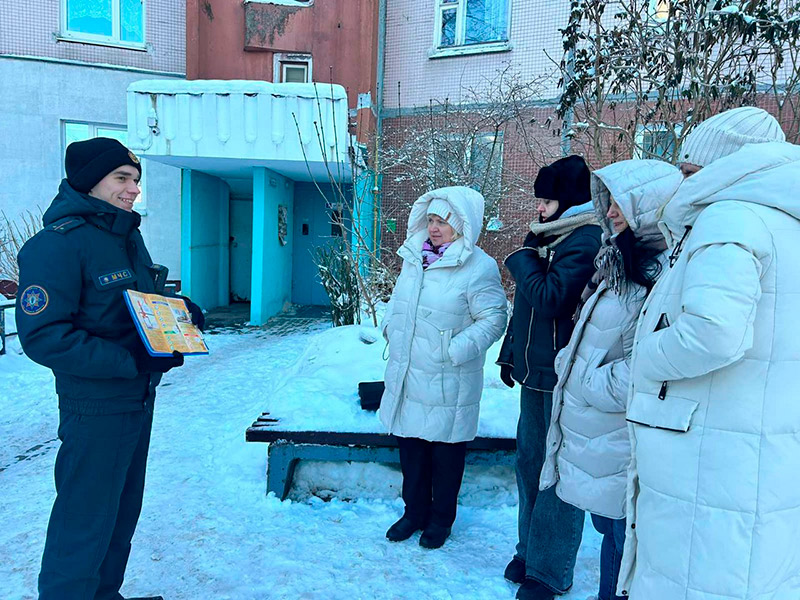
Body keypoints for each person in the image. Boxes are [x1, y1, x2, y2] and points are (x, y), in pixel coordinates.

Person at [618, 106, 800, 599]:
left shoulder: (729, 217)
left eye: (687, 169)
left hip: (707, 456)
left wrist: (645, 357)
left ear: (720, 167)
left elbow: (713, 333)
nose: (681, 182)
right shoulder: (786, 224)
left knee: (691, 577)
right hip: (758, 451)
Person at [16, 137, 203, 600]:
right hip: (95, 404)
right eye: (122, 178)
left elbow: (135, 304)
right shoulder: (56, 246)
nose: (133, 189)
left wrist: (179, 312)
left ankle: (103, 594)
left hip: (136, 397)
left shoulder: (123, 236)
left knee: (120, 512)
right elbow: (44, 336)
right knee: (84, 519)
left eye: (135, 179)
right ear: (89, 182)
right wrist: (130, 360)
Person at [538, 160, 682, 600]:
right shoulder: (617, 261)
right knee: (611, 534)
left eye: (623, 202)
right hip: (603, 436)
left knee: (624, 542)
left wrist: (581, 379)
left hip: (623, 438)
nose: (612, 211)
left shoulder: (658, 275)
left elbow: (645, 369)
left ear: (651, 205)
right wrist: (570, 363)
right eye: (610, 201)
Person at [379, 186, 507, 550]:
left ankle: (440, 520)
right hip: (408, 373)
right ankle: (413, 513)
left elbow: (494, 318)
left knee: (445, 457)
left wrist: (453, 350)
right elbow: (397, 302)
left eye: (443, 222)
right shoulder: (413, 257)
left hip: (449, 379)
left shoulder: (478, 266)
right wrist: (390, 327)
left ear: (462, 225)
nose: (434, 228)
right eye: (431, 220)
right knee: (412, 452)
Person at [498, 155, 602, 600]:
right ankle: (529, 552)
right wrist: (509, 353)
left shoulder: (585, 238)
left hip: (561, 377)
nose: (539, 208)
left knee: (556, 473)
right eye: (538, 200)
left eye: (546, 200)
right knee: (529, 464)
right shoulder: (549, 236)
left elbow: (552, 299)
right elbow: (525, 308)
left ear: (571, 200)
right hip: (535, 374)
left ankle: (549, 570)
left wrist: (523, 261)